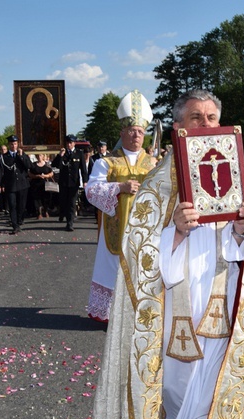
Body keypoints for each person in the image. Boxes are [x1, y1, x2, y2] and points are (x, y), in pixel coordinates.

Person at [91, 90, 244, 419]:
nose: (206, 125)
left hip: (222, 294)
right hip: (173, 299)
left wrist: (242, 229)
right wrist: (175, 229)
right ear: (178, 127)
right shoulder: (158, 180)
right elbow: (138, 254)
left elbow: (242, 248)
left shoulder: (233, 168)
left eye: (212, 117)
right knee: (177, 380)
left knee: (211, 378)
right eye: (196, 117)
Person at [85, 90, 155, 323]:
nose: (136, 135)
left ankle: (140, 315)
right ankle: (109, 315)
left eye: (140, 132)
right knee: (113, 269)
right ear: (122, 133)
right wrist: (119, 187)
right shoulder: (107, 162)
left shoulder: (154, 163)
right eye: (132, 131)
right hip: (116, 226)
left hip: (146, 229)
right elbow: (91, 190)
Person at [0, 135, 31, 234]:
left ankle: (19, 221)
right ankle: (15, 225)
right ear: (9, 145)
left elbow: (29, 166)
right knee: (12, 205)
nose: (13, 146)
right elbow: (0, 171)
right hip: (10, 185)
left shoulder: (23, 154)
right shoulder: (4, 157)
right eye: (12, 144)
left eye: (15, 144)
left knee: (21, 206)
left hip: (22, 185)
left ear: (17, 144)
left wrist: (21, 156)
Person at [53, 134, 88, 231]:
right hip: (63, 183)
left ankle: (70, 223)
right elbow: (55, 165)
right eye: (68, 143)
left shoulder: (79, 153)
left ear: (74, 143)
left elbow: (83, 169)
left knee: (72, 203)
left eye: (71, 143)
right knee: (64, 202)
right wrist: (60, 156)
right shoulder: (63, 153)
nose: (69, 144)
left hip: (74, 182)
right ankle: (63, 215)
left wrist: (85, 181)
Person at [28, 154, 54, 219]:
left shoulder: (47, 164)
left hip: (45, 184)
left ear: (43, 156)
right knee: (37, 199)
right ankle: (39, 213)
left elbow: (51, 173)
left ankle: (46, 210)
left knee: (46, 198)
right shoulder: (33, 165)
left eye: (40, 155)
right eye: (38, 156)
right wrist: (36, 176)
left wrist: (46, 176)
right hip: (35, 184)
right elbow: (30, 174)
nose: (39, 157)